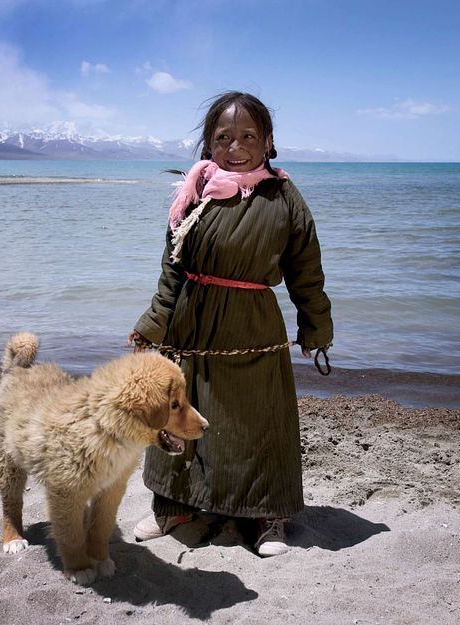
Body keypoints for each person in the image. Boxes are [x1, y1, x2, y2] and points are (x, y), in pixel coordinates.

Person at [127, 91, 333, 557]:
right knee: (182, 412)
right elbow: (173, 270)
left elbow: (306, 271)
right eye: (223, 137)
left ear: (268, 142)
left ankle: (266, 516)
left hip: (252, 327)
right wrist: (153, 324)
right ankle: (175, 506)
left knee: (255, 419)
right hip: (190, 326)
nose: (235, 146)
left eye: (248, 136)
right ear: (207, 143)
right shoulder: (192, 194)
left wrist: (316, 329)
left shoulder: (284, 197)